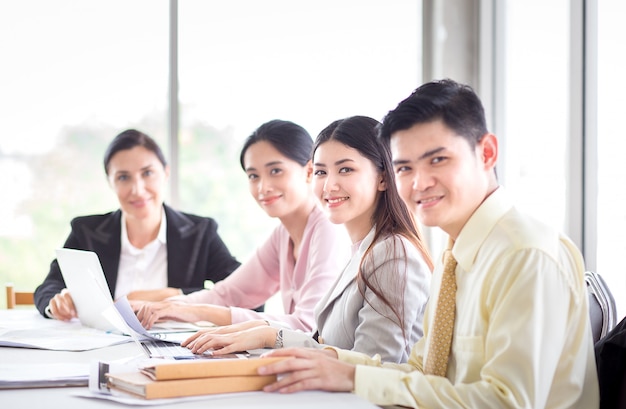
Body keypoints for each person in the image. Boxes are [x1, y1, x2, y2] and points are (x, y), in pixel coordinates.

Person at [257, 79, 599, 408]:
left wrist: (354, 378)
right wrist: (339, 367)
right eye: (405, 167)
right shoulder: (456, 256)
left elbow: (506, 403)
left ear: (487, 153)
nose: (419, 182)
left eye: (438, 160)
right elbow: (422, 373)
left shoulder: (524, 254)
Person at [180, 115, 433, 364]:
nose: (329, 185)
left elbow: (373, 365)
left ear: (383, 177)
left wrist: (268, 335)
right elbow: (330, 346)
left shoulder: (393, 252)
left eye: (345, 169)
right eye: (322, 172)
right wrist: (266, 335)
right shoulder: (364, 248)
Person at [130, 120, 351, 331]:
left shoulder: (328, 228)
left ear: (309, 171)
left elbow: (306, 326)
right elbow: (227, 293)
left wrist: (200, 313)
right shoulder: (282, 235)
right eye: (253, 176)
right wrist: (167, 308)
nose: (263, 187)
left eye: (275, 171)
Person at [34, 129, 240, 320]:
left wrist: (172, 295)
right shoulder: (86, 231)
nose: (138, 190)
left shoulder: (200, 232)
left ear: (166, 173)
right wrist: (57, 303)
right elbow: (49, 287)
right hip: (100, 350)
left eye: (147, 173)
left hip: (176, 353)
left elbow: (247, 295)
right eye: (123, 177)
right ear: (110, 182)